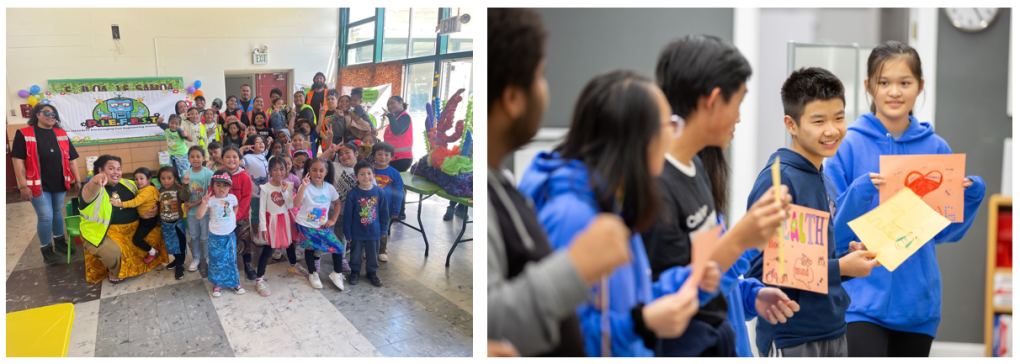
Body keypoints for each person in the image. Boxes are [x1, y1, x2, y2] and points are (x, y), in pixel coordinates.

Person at [519, 70, 705, 357]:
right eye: (668, 125)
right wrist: (639, 324)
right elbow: (557, 339)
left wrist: (687, 280)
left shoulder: (612, 201)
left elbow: (625, 300)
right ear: (637, 136)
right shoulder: (573, 216)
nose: (672, 136)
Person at [487, 9, 636, 356]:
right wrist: (576, 266)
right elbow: (494, 325)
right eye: (541, 76)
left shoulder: (505, 190)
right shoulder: (569, 212)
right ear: (512, 98)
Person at [824, 40, 986, 357]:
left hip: (918, 307)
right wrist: (860, 192)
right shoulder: (848, 145)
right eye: (884, 83)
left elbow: (945, 232)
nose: (894, 92)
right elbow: (833, 229)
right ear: (869, 86)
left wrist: (971, 196)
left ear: (920, 86)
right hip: (859, 301)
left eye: (904, 82)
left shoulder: (937, 147)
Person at [646, 34, 796, 357]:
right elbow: (668, 298)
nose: (739, 117)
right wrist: (743, 239)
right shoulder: (654, 188)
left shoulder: (695, 169)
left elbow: (707, 269)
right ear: (713, 101)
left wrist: (747, 294)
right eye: (738, 103)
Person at [745, 67, 878, 357]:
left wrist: (847, 260)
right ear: (791, 124)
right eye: (818, 121)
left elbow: (809, 262)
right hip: (791, 336)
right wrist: (841, 267)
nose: (832, 130)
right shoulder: (777, 180)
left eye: (839, 118)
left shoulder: (824, 179)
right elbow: (762, 271)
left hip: (833, 328)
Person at [696, 147, 800, 357]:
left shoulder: (706, 202)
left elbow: (724, 287)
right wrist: (745, 244)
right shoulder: (678, 202)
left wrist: (752, 296)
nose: (737, 119)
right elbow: (694, 290)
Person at [11, 104, 84, 265]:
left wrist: (77, 180)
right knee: (45, 216)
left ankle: (59, 243)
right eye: (46, 112)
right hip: (37, 184)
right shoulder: (24, 133)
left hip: (59, 181)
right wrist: (23, 185)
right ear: (37, 114)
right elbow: (18, 160)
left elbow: (71, 159)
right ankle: (46, 250)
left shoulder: (61, 134)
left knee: (57, 212)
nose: (51, 116)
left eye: (54, 114)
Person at [77, 155, 163, 284]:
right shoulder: (91, 189)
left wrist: (155, 208)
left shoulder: (128, 183)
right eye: (111, 168)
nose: (116, 172)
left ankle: (147, 258)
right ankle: (115, 269)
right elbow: (92, 185)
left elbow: (148, 194)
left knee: (159, 231)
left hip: (134, 228)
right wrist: (97, 179)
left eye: (119, 168)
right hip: (104, 232)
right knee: (112, 251)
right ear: (101, 170)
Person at [294, 157, 346, 290]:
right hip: (306, 225)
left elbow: (338, 203)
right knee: (310, 249)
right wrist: (303, 187)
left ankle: (337, 273)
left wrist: (333, 219)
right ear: (308, 171)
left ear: (326, 172)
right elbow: (296, 204)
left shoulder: (329, 188)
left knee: (338, 247)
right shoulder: (304, 186)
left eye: (321, 170)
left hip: (322, 225)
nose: (318, 173)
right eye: (314, 170)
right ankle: (312, 273)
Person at [255, 157, 300, 296]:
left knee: (290, 243)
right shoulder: (265, 188)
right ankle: (259, 279)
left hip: (285, 219)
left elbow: (290, 205)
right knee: (268, 248)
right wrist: (263, 228)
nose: (278, 172)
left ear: (287, 170)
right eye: (275, 169)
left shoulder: (288, 185)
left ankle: (293, 265)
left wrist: (285, 191)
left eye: (281, 169)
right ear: (269, 171)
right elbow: (262, 209)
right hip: (272, 221)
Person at [197, 170, 245, 297]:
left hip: (229, 236)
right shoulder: (210, 200)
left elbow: (236, 206)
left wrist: (233, 217)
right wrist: (203, 203)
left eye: (225, 185)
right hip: (215, 237)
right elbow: (199, 215)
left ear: (230, 186)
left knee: (231, 260)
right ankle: (217, 284)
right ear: (213, 186)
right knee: (216, 261)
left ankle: (235, 283)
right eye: (218, 185)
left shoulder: (232, 198)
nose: (221, 188)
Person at [343, 160, 390, 287]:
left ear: (373, 175)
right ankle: (355, 271)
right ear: (356, 177)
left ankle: (372, 272)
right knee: (356, 254)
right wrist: (348, 233)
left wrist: (384, 229)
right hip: (356, 232)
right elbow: (347, 215)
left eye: (369, 173)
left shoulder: (379, 192)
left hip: (374, 232)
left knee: (372, 254)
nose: (366, 177)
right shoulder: (353, 194)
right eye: (362, 174)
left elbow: (384, 213)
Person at [220, 145, 256, 280]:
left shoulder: (244, 176)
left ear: (239, 159)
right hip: (223, 217)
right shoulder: (219, 175)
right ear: (222, 159)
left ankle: (248, 264)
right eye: (227, 156)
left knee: (244, 240)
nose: (231, 159)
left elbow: (246, 198)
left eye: (234, 157)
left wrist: (236, 215)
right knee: (226, 243)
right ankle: (229, 265)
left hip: (241, 217)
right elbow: (214, 193)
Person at [151, 166, 191, 280]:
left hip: (177, 224)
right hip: (165, 224)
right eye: (163, 178)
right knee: (171, 245)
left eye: (169, 178)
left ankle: (180, 264)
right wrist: (158, 220)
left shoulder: (178, 189)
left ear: (175, 178)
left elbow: (185, 196)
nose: (166, 181)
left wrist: (185, 185)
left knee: (180, 244)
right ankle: (177, 259)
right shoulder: (160, 191)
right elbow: (159, 207)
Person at [114, 167, 161, 264]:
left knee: (137, 241)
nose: (138, 181)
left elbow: (135, 202)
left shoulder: (147, 190)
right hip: (145, 220)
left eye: (141, 178)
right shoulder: (150, 188)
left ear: (149, 179)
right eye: (136, 179)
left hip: (148, 221)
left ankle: (153, 252)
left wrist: (120, 204)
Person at [370, 142, 403, 263]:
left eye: (386, 154)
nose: (383, 157)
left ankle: (382, 250)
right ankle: (368, 248)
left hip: (386, 209)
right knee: (368, 228)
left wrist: (395, 210)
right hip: (368, 208)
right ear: (374, 156)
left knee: (383, 229)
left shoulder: (395, 174)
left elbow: (399, 193)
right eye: (379, 154)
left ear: (391, 157)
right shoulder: (369, 170)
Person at [183, 146, 214, 272]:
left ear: (203, 158)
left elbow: (209, 194)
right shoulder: (185, 173)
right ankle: (196, 258)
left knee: (206, 236)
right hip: (190, 213)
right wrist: (186, 203)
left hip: (204, 212)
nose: (195, 159)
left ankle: (207, 257)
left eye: (198, 156)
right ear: (188, 159)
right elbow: (183, 193)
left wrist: (193, 203)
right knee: (194, 236)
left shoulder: (208, 174)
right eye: (192, 156)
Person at [241, 135, 271, 251]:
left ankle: (262, 231)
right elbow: (239, 162)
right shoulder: (248, 157)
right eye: (257, 142)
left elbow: (265, 150)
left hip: (266, 191)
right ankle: (254, 234)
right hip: (255, 193)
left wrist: (267, 144)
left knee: (263, 213)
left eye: (261, 141)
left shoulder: (263, 155)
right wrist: (242, 149)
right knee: (255, 214)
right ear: (252, 146)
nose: (261, 143)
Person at [159, 114, 193, 180]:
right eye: (172, 123)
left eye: (176, 124)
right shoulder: (166, 127)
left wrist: (187, 134)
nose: (174, 125)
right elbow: (158, 123)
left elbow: (191, 139)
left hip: (182, 155)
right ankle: (177, 184)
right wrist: (158, 120)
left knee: (184, 172)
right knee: (173, 171)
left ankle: (186, 185)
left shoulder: (180, 132)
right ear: (168, 122)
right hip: (172, 155)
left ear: (179, 125)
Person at [293, 91, 318, 156]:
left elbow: (300, 124)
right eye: (296, 97)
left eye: (300, 96)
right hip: (299, 140)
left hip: (309, 140)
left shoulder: (306, 108)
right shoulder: (295, 110)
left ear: (304, 99)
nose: (298, 98)